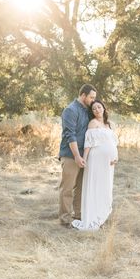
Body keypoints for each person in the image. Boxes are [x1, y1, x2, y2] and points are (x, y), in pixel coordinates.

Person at [72, 100, 118, 231]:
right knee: (95, 186)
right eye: (94, 109)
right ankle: (93, 218)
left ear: (103, 108)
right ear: (92, 112)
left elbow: (113, 143)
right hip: (96, 160)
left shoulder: (109, 124)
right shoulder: (93, 123)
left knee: (105, 187)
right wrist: (84, 159)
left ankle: (101, 216)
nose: (97, 110)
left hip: (109, 163)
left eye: (99, 107)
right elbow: (88, 143)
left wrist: (116, 156)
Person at [59, 83, 97, 227]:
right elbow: (70, 135)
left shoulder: (88, 110)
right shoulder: (71, 110)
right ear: (83, 95)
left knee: (81, 188)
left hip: (85, 156)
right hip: (71, 155)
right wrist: (76, 156)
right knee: (67, 188)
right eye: (91, 97)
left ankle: (79, 216)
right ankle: (65, 219)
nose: (93, 100)